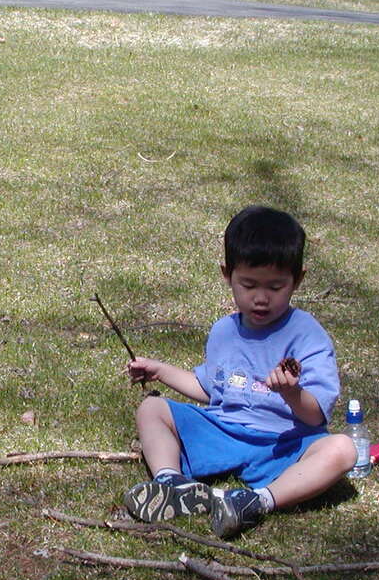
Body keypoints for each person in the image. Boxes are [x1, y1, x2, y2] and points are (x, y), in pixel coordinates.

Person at [122, 206, 356, 539]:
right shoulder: (224, 331)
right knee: (152, 408)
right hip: (225, 433)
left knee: (342, 450)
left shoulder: (307, 334)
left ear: (298, 280)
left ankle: (256, 502)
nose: (261, 298)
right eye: (248, 285)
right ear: (227, 275)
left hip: (282, 443)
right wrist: (160, 371)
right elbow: (212, 389)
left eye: (275, 287)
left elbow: (316, 416)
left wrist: (291, 392)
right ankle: (171, 484)